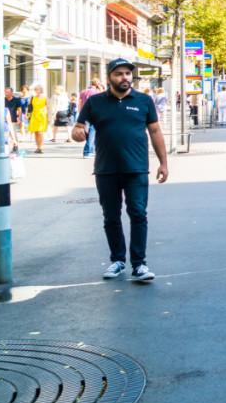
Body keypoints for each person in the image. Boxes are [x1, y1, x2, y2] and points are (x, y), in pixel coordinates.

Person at [72, 58, 168, 283]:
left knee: (138, 213)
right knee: (111, 216)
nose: (125, 77)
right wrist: (78, 133)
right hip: (106, 169)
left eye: (127, 73)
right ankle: (117, 260)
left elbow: (154, 131)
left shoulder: (144, 100)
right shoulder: (95, 102)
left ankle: (139, 264)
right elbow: (78, 128)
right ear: (109, 78)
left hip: (136, 168)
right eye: (119, 74)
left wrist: (163, 162)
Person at [78, 80, 101, 158]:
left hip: (85, 113)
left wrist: (80, 113)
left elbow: (80, 103)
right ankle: (87, 151)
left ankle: (91, 150)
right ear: (97, 84)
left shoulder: (83, 92)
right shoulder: (97, 92)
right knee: (92, 132)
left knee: (87, 131)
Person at [27, 84, 49, 153]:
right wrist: (28, 115)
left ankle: (41, 147)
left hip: (42, 116)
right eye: (35, 89)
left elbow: (48, 107)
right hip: (34, 116)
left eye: (37, 89)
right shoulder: (32, 97)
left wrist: (49, 117)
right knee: (36, 132)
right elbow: (29, 107)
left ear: (41, 90)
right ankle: (37, 147)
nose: (36, 91)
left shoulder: (45, 98)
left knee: (40, 132)